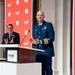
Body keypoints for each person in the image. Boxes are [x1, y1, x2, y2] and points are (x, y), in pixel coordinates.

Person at [30, 11, 55, 75]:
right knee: (40, 70)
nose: (39, 17)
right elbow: (35, 40)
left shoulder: (48, 25)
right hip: (38, 52)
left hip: (46, 51)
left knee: (48, 70)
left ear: (44, 16)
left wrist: (41, 41)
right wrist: (34, 42)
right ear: (36, 17)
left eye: (41, 15)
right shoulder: (34, 27)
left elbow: (52, 38)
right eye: (38, 15)